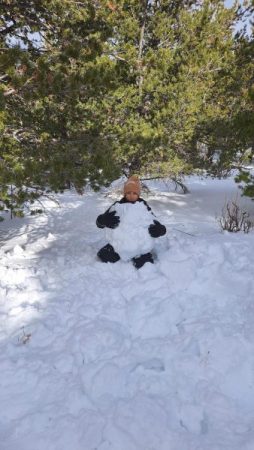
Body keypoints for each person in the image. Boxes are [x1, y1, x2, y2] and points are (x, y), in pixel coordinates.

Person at [96, 176, 166, 269]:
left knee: (145, 265)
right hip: (119, 244)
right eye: (128, 193)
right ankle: (118, 251)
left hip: (139, 245)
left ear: (138, 194)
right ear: (124, 193)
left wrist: (159, 230)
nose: (131, 195)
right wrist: (104, 220)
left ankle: (140, 255)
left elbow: (154, 220)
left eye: (134, 193)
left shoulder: (143, 206)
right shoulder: (117, 206)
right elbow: (99, 224)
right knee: (104, 256)